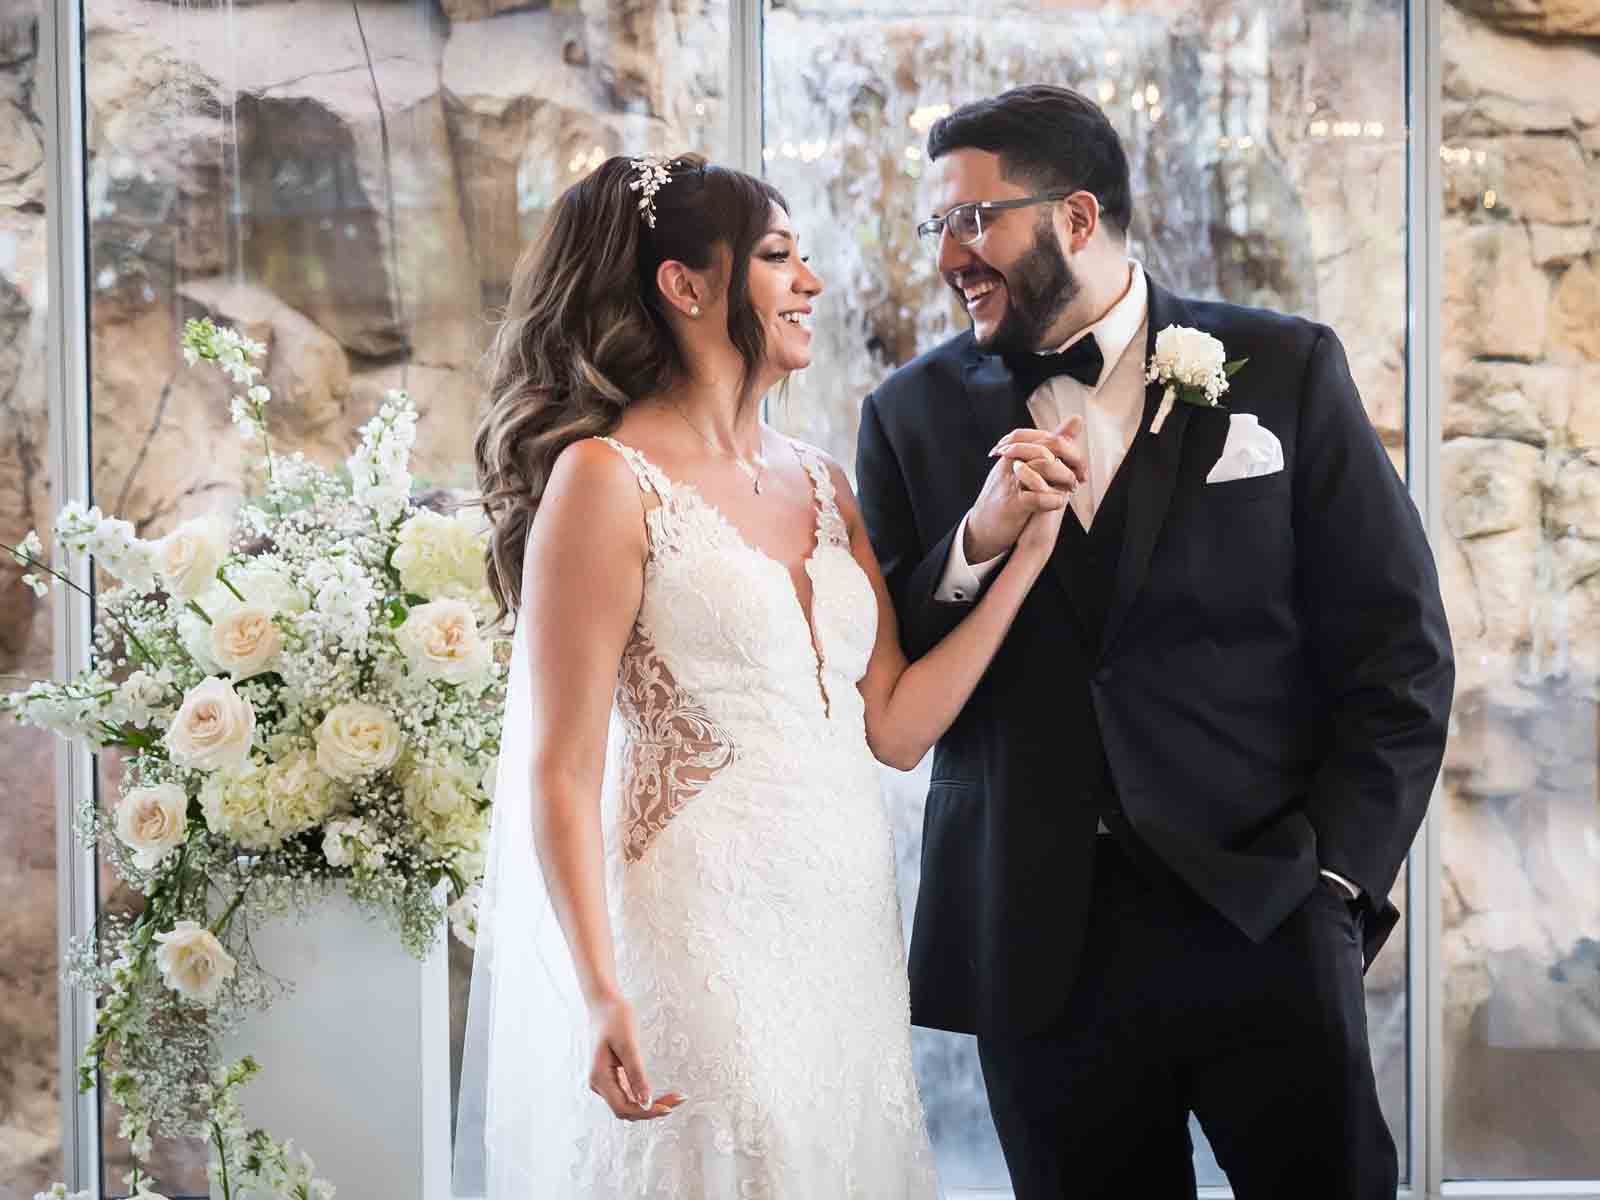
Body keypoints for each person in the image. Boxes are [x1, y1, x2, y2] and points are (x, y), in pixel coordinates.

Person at [856, 85, 1456, 1198]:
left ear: (1078, 219)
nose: (949, 255)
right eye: (933, 225)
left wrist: (1333, 880)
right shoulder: (908, 415)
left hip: (1265, 919)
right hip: (1036, 951)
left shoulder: (1284, 368)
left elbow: (1400, 650)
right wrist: (977, 543)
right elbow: (884, 671)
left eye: (972, 219)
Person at [453, 152, 1077, 1198]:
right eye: (779, 258)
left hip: (843, 926)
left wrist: (1028, 555)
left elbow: (895, 726)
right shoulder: (604, 483)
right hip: (695, 925)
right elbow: (560, 772)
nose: (813, 285)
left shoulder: (823, 481)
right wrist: (601, 990)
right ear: (686, 286)